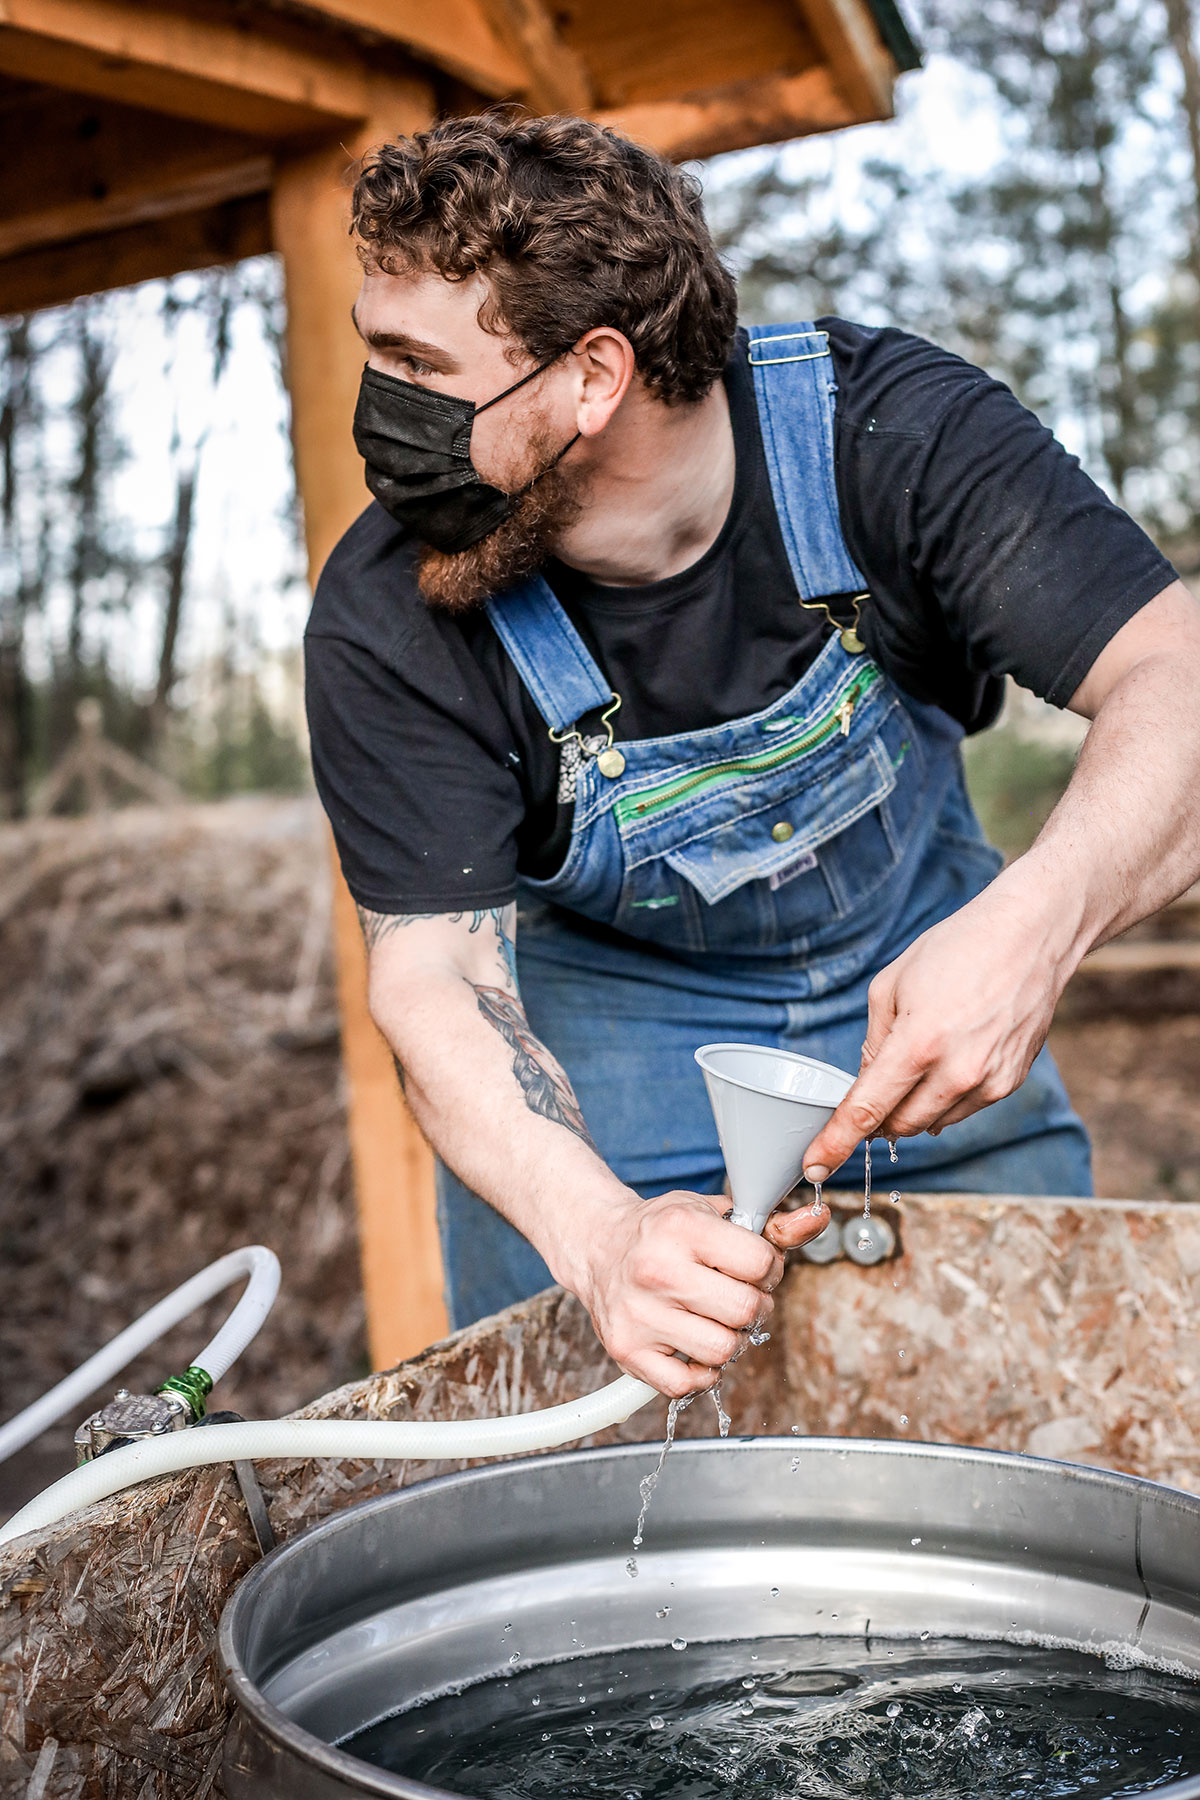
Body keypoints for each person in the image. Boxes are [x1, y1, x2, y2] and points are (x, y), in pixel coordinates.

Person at [306, 111, 1200, 1399]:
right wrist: (601, 1236)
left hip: (934, 978)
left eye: (416, 364)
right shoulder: (390, 609)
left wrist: (1033, 930)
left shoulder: (893, 436)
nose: (382, 412)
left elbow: (1174, 679)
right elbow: (435, 974)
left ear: (592, 376)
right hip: (613, 1059)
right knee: (580, 1480)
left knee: (1046, 1416)